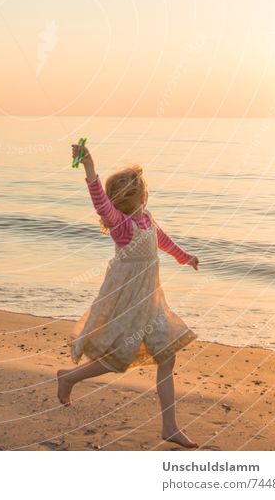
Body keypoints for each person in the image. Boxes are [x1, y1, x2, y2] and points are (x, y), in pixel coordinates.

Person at [57, 142, 200, 448]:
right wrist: (89, 166)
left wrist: (183, 257)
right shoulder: (122, 226)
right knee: (115, 359)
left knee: (167, 356)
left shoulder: (146, 218)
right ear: (138, 196)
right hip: (128, 303)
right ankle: (69, 378)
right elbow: (99, 203)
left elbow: (162, 239)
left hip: (152, 302)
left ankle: (170, 427)